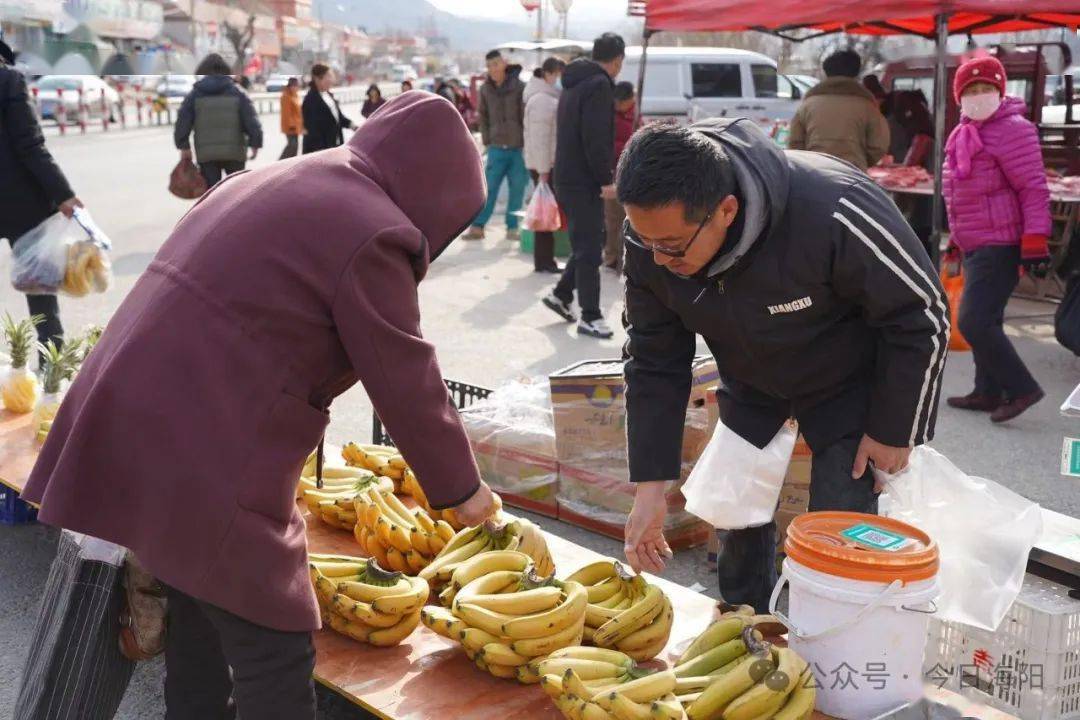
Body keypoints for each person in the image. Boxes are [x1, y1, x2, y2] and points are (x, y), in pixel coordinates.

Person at [21, 92, 501, 720]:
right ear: (440, 196)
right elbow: (404, 372)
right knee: (274, 643)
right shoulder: (374, 227)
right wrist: (463, 491)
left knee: (197, 602)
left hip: (132, 407)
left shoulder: (284, 175)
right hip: (210, 441)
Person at [616, 120, 948, 611]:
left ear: (725, 210)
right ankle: (748, 627)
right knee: (736, 522)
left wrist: (896, 428)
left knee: (841, 538)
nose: (659, 260)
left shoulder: (834, 210)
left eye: (672, 246)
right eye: (647, 243)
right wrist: (650, 489)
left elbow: (921, 316)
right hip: (751, 378)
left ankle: (837, 648)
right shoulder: (653, 237)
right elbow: (652, 359)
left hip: (850, 384)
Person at [943, 55, 1050, 423]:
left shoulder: (1013, 129)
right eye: (971, 89)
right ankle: (987, 391)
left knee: (974, 321)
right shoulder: (965, 131)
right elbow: (962, 194)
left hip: (1001, 242)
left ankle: (1022, 388)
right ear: (959, 96)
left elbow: (1033, 188)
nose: (979, 95)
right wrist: (957, 238)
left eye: (986, 87)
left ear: (1001, 90)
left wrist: (1036, 238)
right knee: (987, 317)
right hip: (976, 242)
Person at [541, 32, 625, 339]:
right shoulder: (599, 85)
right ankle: (590, 316)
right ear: (617, 61)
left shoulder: (574, 82)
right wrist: (605, 179)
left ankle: (561, 294)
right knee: (590, 248)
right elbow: (596, 137)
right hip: (583, 179)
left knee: (586, 241)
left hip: (567, 175)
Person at [0, 38, 79, 353]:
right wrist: (64, 194)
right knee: (39, 288)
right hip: (21, 201)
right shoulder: (10, 81)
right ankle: (52, 367)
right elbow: (30, 145)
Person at [462, 50, 527, 242]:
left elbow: (525, 116)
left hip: (517, 148)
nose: (493, 69)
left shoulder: (520, 87)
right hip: (496, 148)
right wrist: (488, 140)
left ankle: (512, 227)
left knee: (517, 189)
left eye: (496, 64)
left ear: (504, 63)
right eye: (489, 66)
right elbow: (483, 116)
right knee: (488, 188)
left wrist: (524, 141)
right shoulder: (485, 89)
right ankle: (478, 227)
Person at [788, 50, 890, 171]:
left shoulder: (807, 105)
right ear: (856, 72)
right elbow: (878, 146)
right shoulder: (867, 106)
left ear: (826, 72)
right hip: (853, 174)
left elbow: (795, 143)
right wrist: (860, 161)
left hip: (814, 173)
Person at [175, 54, 262, 188]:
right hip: (235, 152)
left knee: (212, 195)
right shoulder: (238, 93)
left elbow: (183, 121)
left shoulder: (195, 95)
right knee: (236, 192)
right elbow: (251, 120)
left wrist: (183, 146)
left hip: (206, 155)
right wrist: (255, 143)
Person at [523, 57, 566, 274]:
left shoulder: (545, 97)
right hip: (545, 166)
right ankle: (544, 262)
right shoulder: (542, 100)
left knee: (545, 212)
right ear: (549, 74)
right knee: (545, 212)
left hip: (545, 164)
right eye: (558, 75)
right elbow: (540, 139)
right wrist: (543, 172)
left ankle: (545, 261)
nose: (560, 80)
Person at [603, 81, 638, 272]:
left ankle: (625, 259)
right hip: (612, 172)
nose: (617, 106)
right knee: (611, 219)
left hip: (628, 172)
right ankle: (610, 257)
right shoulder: (608, 115)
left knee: (628, 219)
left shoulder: (636, 115)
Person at [302, 64, 354, 154]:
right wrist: (320, 152)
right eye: (328, 76)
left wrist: (353, 126)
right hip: (319, 152)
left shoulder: (329, 95)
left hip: (334, 146)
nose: (331, 80)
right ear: (317, 79)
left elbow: (338, 118)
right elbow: (312, 129)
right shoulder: (310, 100)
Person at [279, 77, 303, 159]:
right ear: (289, 86)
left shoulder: (295, 95)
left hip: (296, 125)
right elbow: (286, 113)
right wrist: (291, 125)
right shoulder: (286, 96)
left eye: (296, 86)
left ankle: (291, 162)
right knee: (292, 145)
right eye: (293, 86)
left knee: (295, 146)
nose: (295, 88)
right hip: (290, 126)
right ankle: (280, 162)